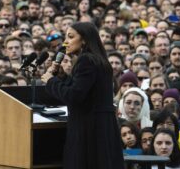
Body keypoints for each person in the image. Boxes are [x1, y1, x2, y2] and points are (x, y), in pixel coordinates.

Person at [41, 22, 124, 169]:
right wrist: (63, 77)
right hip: (101, 126)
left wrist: (51, 81)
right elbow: (86, 92)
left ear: (84, 40)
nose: (66, 41)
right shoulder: (97, 60)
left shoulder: (86, 60)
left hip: (89, 129)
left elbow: (74, 96)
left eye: (71, 37)